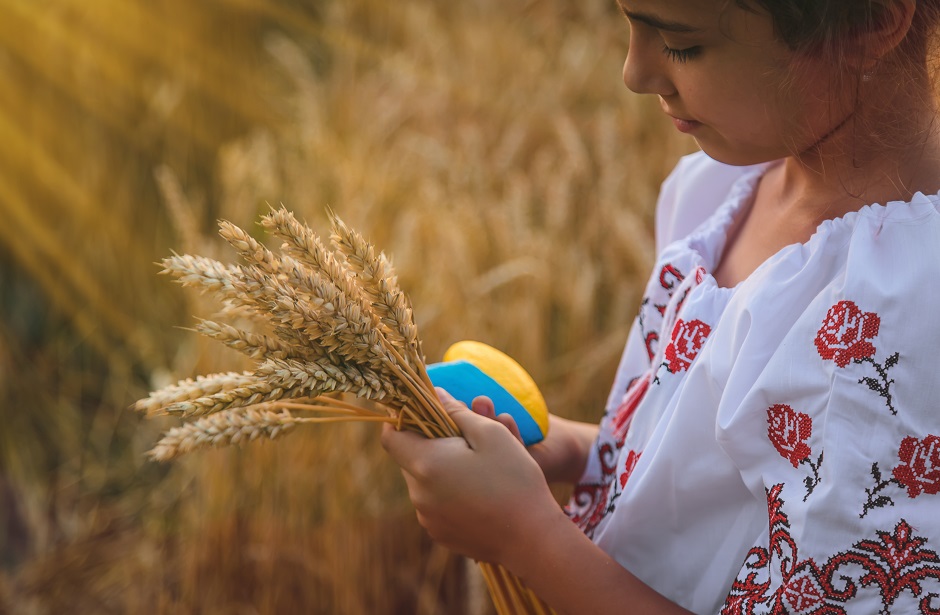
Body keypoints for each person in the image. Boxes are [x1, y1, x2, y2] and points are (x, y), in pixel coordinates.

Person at [382, 0, 940, 612]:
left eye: (680, 44)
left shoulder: (893, 324)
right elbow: (734, 468)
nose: (633, 72)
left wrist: (528, 537)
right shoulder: (725, 186)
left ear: (870, 23)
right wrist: (573, 451)